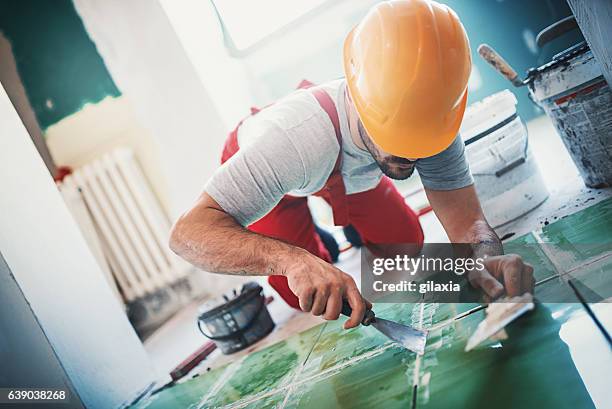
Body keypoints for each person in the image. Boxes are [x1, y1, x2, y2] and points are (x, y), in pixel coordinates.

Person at [169, 0, 534, 329]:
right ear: (361, 104)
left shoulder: (436, 119)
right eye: (400, 142)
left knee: (407, 245)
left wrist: (483, 257)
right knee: (306, 290)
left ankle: (343, 225)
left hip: (340, 167)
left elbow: (467, 222)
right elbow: (186, 235)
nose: (414, 155)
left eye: (422, 143)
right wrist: (293, 261)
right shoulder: (290, 142)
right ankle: (319, 241)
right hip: (283, 172)